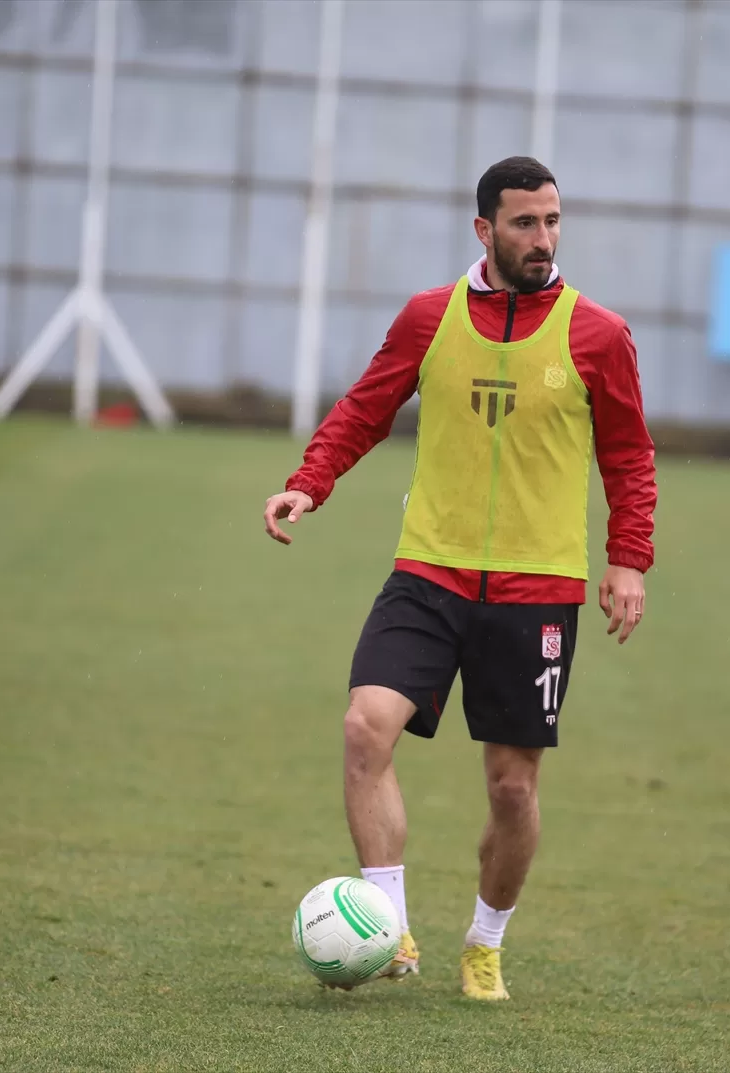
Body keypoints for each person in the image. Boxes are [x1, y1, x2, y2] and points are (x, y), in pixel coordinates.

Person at [263, 156, 657, 1001]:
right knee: (366, 728)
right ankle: (392, 930)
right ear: (485, 229)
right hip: (428, 573)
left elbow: (629, 455)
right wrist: (309, 482)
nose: (543, 238)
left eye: (552, 220)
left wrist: (629, 556)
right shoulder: (428, 317)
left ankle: (485, 942)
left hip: (537, 592)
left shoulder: (599, 334)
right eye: (525, 223)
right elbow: (365, 408)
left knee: (513, 788)